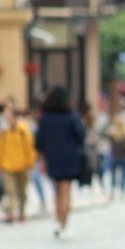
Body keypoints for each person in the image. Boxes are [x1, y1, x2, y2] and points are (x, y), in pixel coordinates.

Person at [34, 86, 86, 238]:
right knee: (66, 189)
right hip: (70, 156)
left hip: (52, 157)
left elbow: (39, 141)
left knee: (56, 190)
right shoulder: (71, 115)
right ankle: (63, 221)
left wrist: (43, 157)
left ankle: (58, 220)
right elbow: (81, 135)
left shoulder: (45, 118)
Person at [0, 100, 37, 223]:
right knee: (10, 191)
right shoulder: (4, 131)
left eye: (9, 116)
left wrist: (30, 163)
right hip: (7, 165)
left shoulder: (23, 130)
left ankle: (22, 212)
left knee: (22, 191)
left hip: (23, 165)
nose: (8, 119)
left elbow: (30, 147)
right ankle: (10, 213)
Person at [107, 114, 125, 199]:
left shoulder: (113, 132)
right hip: (123, 156)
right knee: (123, 175)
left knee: (114, 175)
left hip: (115, 155)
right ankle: (122, 191)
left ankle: (113, 191)